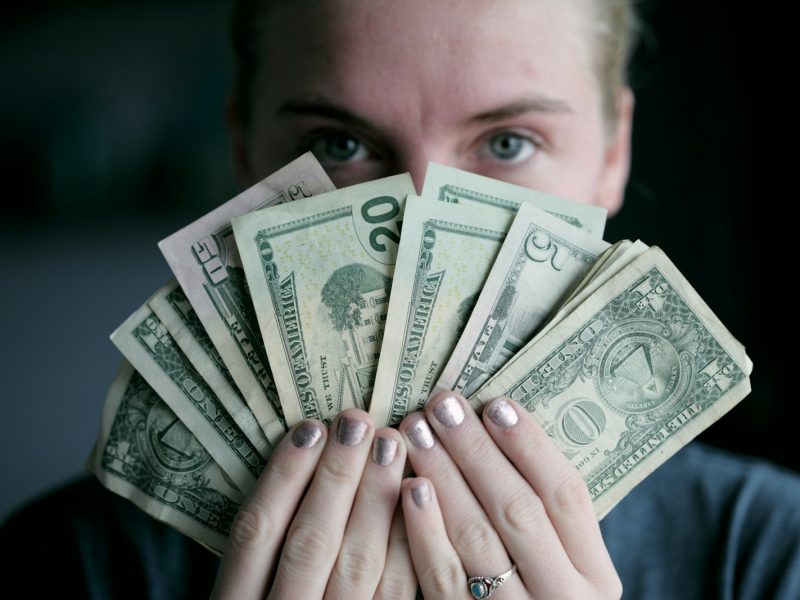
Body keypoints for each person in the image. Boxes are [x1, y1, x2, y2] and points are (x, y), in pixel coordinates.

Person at [2, 1, 799, 598]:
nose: (417, 221)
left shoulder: (770, 553)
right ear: (244, 152)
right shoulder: (68, 567)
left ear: (614, 154)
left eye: (507, 143)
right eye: (337, 144)